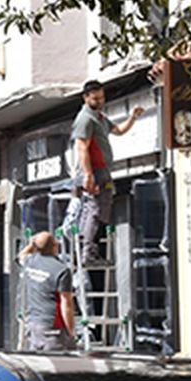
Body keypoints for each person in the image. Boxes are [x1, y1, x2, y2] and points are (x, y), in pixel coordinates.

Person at [71, 80, 146, 266]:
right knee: (96, 211)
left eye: (102, 98)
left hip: (100, 170)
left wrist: (133, 117)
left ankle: (84, 252)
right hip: (95, 171)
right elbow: (81, 147)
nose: (100, 101)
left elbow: (118, 131)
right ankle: (88, 254)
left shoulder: (100, 117)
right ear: (86, 97)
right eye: (95, 98)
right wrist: (88, 175)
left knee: (96, 211)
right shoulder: (85, 119)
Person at [18, 232, 75, 351]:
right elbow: (66, 304)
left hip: (33, 323)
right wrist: (71, 331)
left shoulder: (30, 262)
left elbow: (20, 256)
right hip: (52, 326)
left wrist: (31, 245)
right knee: (57, 363)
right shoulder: (62, 270)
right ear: (55, 246)